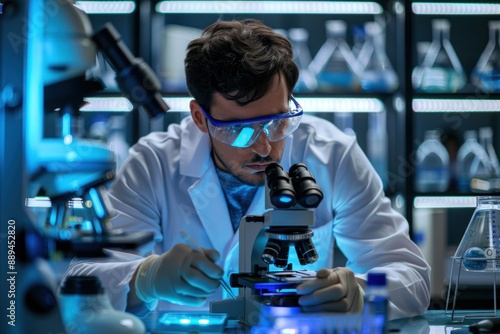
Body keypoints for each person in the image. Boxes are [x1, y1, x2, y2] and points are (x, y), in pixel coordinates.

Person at [64, 19, 430, 320]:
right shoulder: (154, 163)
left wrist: (361, 293)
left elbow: (411, 274)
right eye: (238, 130)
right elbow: (80, 282)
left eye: (277, 122)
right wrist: (141, 278)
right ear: (200, 118)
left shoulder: (332, 152)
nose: (264, 147)